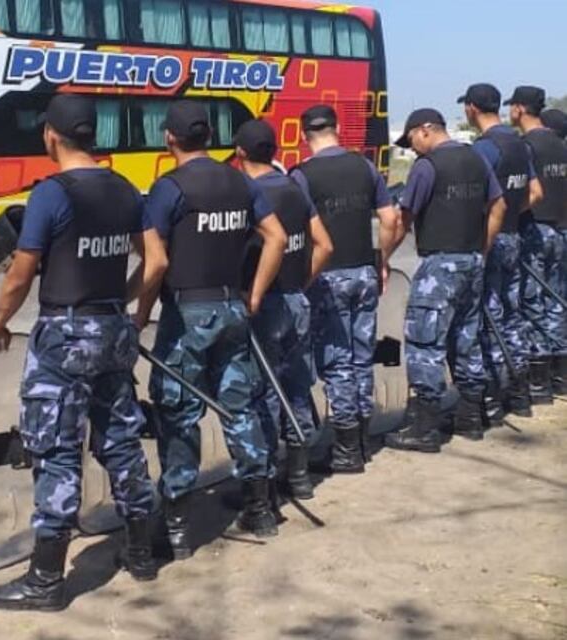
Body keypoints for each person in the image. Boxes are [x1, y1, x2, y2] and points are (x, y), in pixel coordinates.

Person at [0, 95, 156, 612]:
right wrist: (120, 304)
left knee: (54, 449)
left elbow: (21, 271)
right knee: (120, 438)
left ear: (51, 136)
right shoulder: (124, 189)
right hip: (111, 331)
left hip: (63, 336)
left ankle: (45, 582)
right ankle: (142, 552)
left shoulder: (51, 194)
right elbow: (157, 260)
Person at [135, 100, 287, 553]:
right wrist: (255, 293)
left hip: (187, 317)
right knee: (239, 407)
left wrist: (139, 317)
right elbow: (276, 236)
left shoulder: (169, 188)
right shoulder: (239, 182)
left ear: (170, 139)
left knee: (179, 412)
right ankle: (259, 508)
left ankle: (178, 522)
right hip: (232, 311)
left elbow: (156, 261)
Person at [288, 105, 402, 474]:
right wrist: (381, 259)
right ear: (338, 128)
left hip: (326, 277)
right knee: (360, 354)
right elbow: (390, 218)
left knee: (336, 361)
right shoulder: (365, 168)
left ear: (305, 135)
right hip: (364, 272)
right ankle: (363, 438)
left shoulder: (302, 176)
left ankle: (346, 449)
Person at [387, 108, 505, 452]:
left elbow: (402, 220)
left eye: (411, 141)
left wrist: (383, 257)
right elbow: (497, 207)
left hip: (439, 265)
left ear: (425, 131)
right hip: (471, 262)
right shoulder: (475, 158)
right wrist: (480, 249)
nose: (412, 149)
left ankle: (425, 428)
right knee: (466, 339)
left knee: (426, 343)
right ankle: (469, 418)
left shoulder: (428, 167)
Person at [234, 119, 334, 500]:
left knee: (262, 391)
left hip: (262, 303)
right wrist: (301, 284)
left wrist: (254, 293)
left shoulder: (248, 195)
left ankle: (266, 479)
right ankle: (300, 475)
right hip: (296, 300)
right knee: (296, 385)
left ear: (240, 152)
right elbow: (325, 245)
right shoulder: (294, 189)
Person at [458, 84, 541, 421]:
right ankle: (519, 394)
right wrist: (510, 217)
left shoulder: (484, 149)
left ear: (472, 109)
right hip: (513, 236)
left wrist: (484, 234)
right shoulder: (519, 145)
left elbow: (480, 201)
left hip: (490, 241)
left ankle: (490, 399)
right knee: (511, 314)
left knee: (486, 318)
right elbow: (534, 193)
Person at [508, 87, 567, 399]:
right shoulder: (559, 143)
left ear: (519, 108)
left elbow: (526, 193)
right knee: (555, 301)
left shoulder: (526, 147)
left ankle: (538, 381)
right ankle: (560, 374)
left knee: (533, 304)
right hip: (559, 229)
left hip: (534, 228)